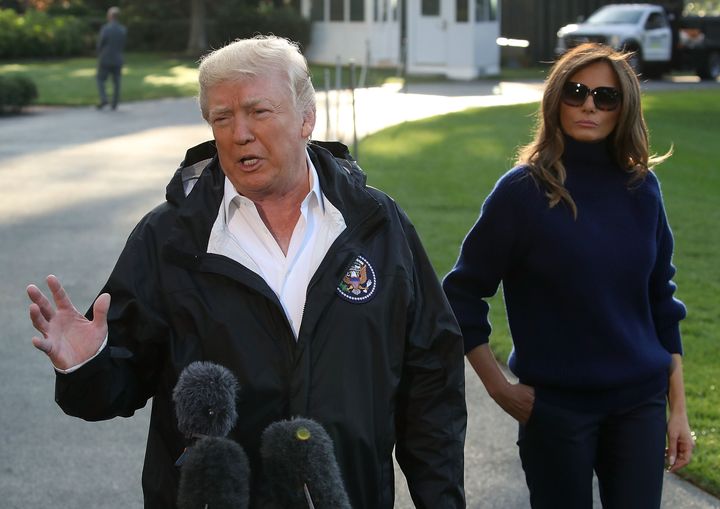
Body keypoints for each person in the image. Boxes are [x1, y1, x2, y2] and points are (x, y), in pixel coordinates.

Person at [27, 35, 466, 508]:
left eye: (259, 111)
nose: (239, 133)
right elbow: (110, 392)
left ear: (306, 118)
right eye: (222, 117)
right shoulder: (171, 236)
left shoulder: (376, 224)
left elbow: (432, 384)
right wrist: (85, 365)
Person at [443, 43, 693, 509]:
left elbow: (662, 300)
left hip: (640, 405)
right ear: (556, 99)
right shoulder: (522, 192)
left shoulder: (643, 189)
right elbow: (460, 295)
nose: (589, 106)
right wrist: (500, 389)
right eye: (576, 92)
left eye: (606, 97)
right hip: (557, 412)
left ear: (624, 109)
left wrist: (677, 410)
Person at [96, 6, 126, 110]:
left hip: (105, 59)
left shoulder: (106, 29)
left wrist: (99, 53)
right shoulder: (122, 30)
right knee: (116, 82)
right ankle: (114, 103)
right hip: (118, 59)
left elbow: (100, 44)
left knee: (100, 80)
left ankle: (104, 98)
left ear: (110, 16)